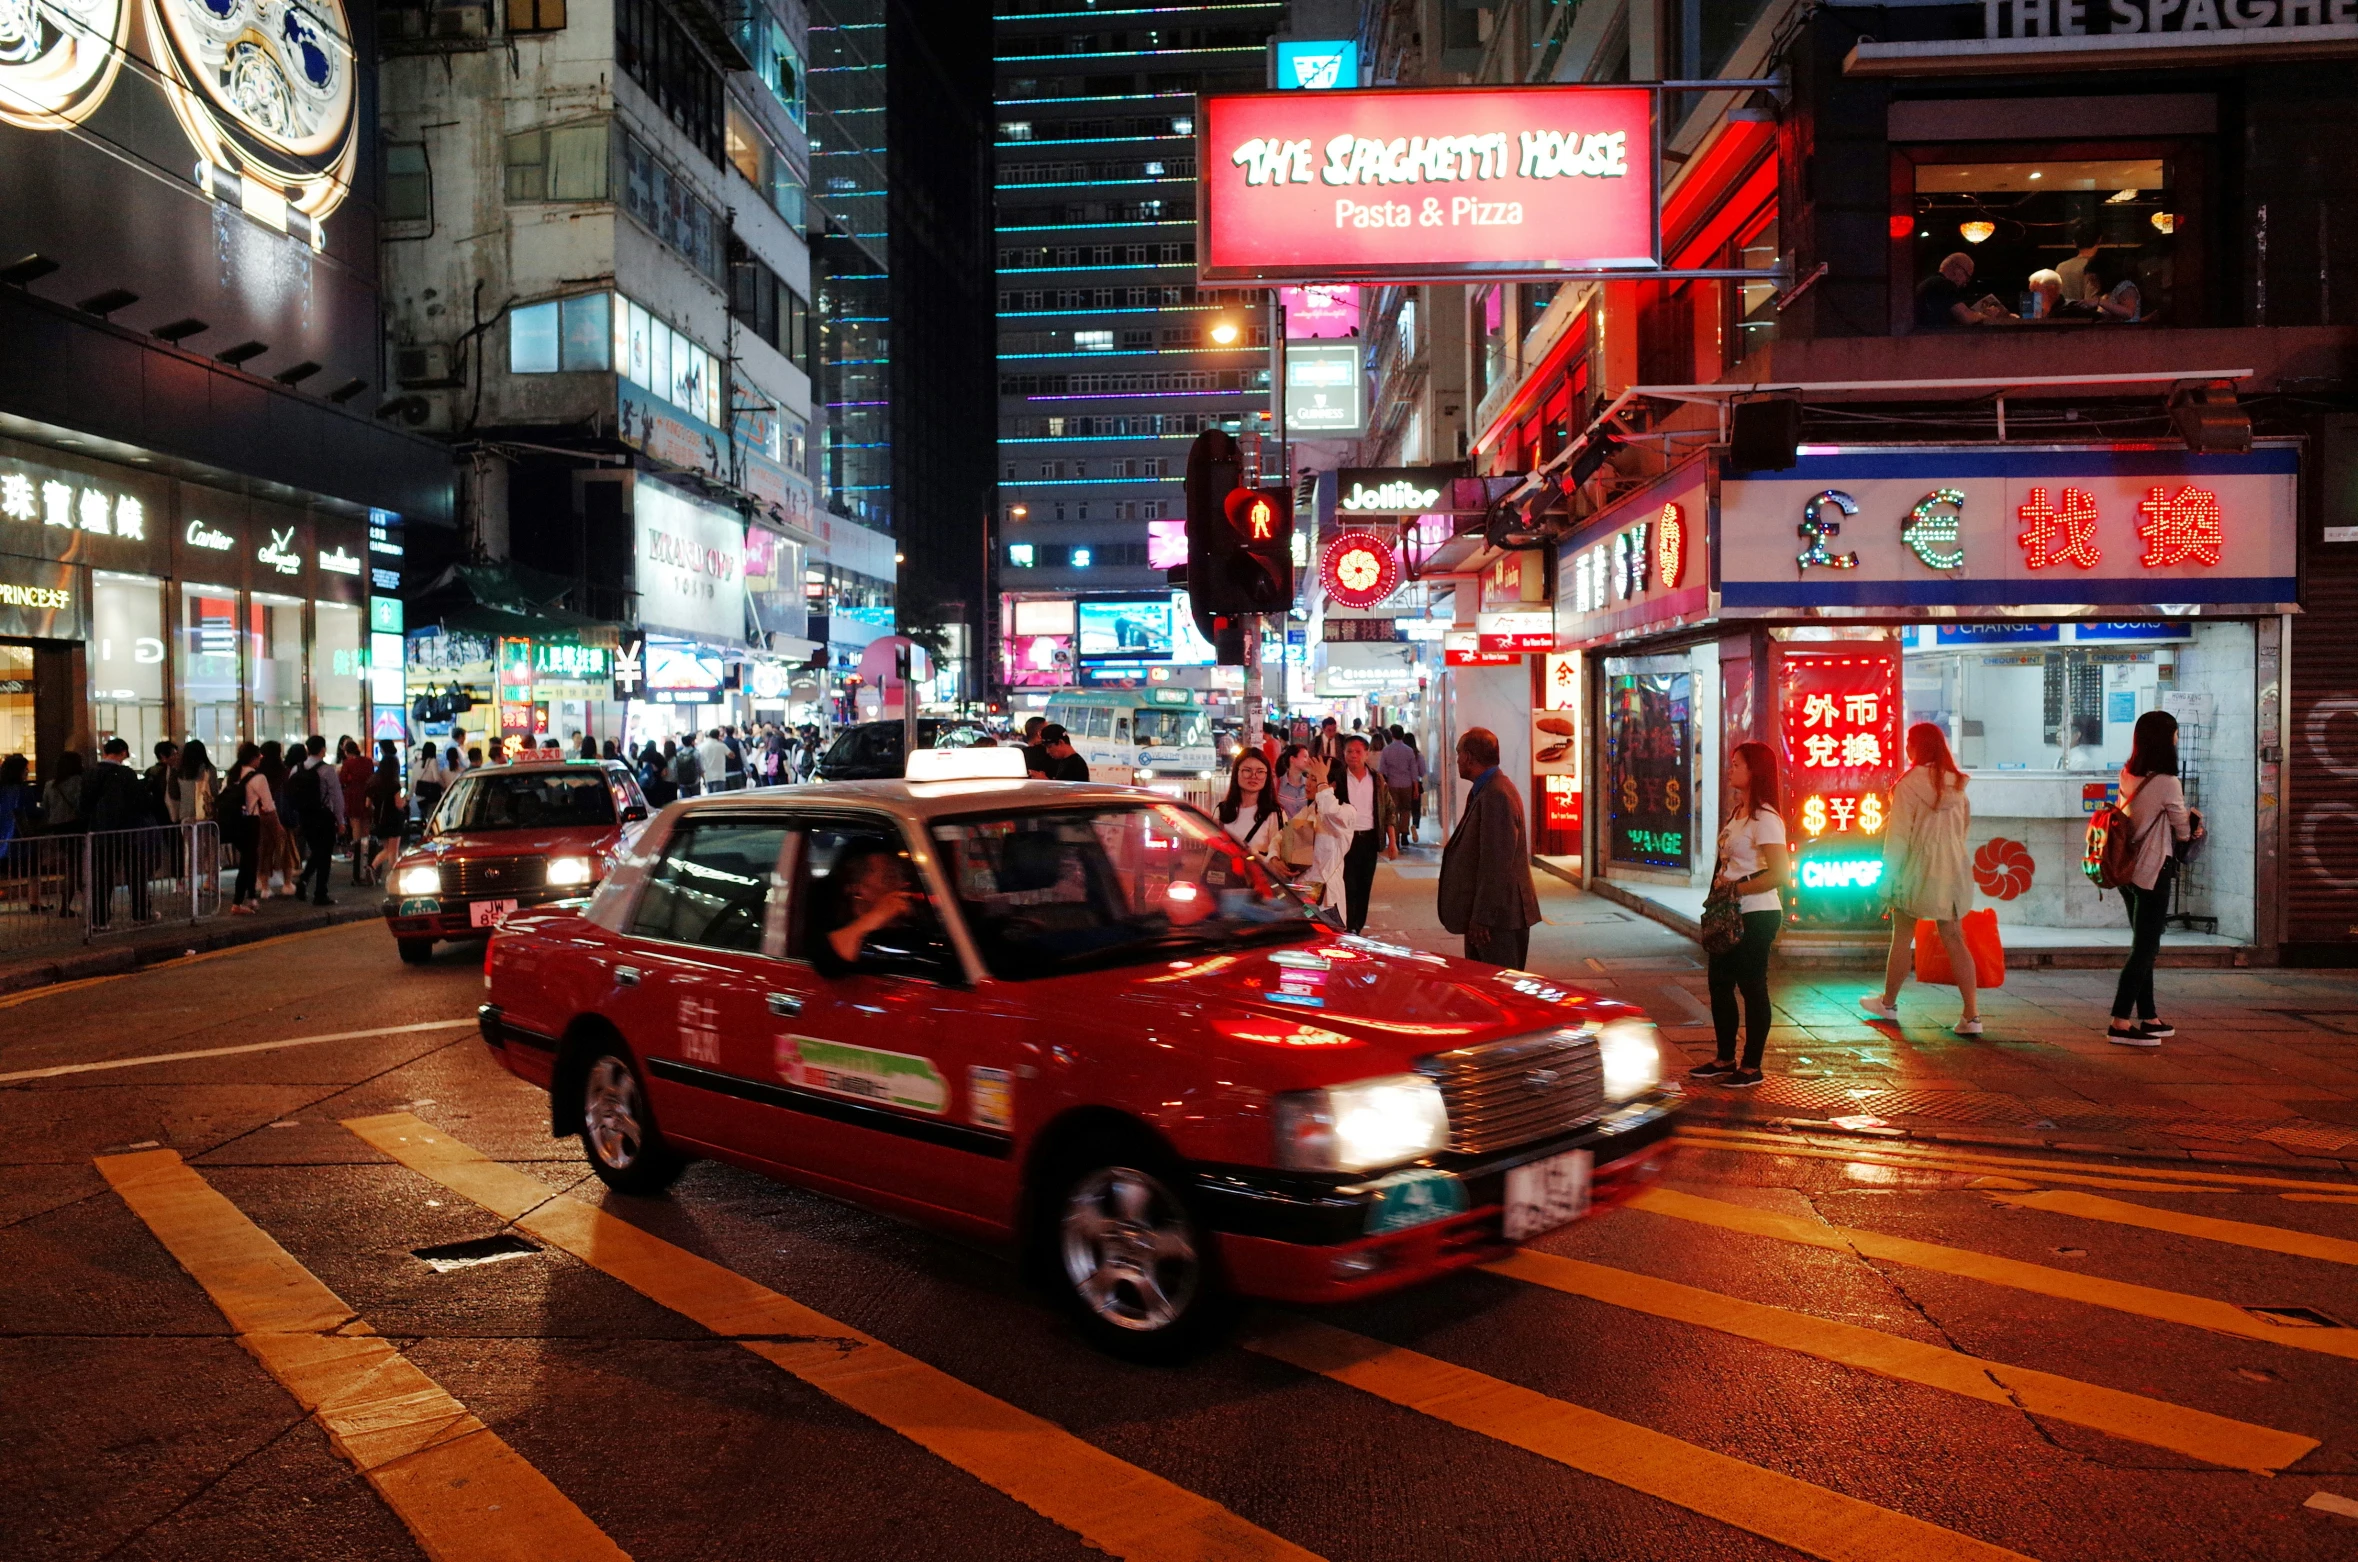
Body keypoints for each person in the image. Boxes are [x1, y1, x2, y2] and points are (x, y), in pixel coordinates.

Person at [1860, 723, 1981, 1035]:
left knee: (1902, 934)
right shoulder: (1957, 784)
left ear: (1916, 748)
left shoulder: (1908, 784)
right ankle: (1971, 1015)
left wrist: (1887, 880)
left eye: (1908, 743)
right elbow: (1964, 829)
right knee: (1955, 937)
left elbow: (1898, 837)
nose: (1906, 749)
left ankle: (1888, 1003)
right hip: (1953, 870)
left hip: (1915, 870)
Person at [1691, 742, 1789, 1088]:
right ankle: (1724, 1058)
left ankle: (1751, 1065)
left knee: (1752, 987)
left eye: (1737, 765)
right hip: (1729, 914)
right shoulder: (1737, 814)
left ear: (1755, 772)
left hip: (1756, 915)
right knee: (1719, 985)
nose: (1730, 769)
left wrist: (1737, 890)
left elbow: (1781, 874)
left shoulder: (1766, 819)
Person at [2109, 710, 2201, 1046]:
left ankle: (2149, 1017)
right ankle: (2120, 1021)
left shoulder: (2128, 773)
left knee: (2145, 945)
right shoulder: (2167, 782)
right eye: (2175, 732)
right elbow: (2181, 830)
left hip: (2127, 872)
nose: (2177, 737)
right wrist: (2194, 821)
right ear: (2167, 738)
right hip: (2152, 871)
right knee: (2145, 947)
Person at [1436, 727, 1541, 967]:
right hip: (1489, 917)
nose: (1457, 760)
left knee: (1499, 991)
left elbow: (1496, 862)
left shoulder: (1497, 794)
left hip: (1499, 920)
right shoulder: (1486, 789)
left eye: (1458, 754)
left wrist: (1482, 918)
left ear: (1470, 757)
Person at [83, 738, 164, 927]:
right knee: (136, 875)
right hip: (128, 831)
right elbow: (140, 801)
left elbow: (84, 804)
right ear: (123, 752)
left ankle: (99, 920)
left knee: (102, 877)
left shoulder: (90, 774)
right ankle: (141, 914)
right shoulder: (125, 774)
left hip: (99, 832)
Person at [821, 841, 925, 967]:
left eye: (903, 876)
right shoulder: (833, 931)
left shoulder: (914, 927)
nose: (903, 884)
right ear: (856, 888)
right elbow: (829, 961)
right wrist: (878, 916)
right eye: (890, 877)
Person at [1332, 735, 1395, 935]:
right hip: (1345, 840)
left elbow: (1388, 810)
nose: (1353, 755)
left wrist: (1392, 842)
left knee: (1364, 885)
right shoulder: (1338, 779)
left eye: (1358, 751)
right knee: (1348, 884)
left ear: (1366, 754)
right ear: (1344, 754)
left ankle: (1357, 926)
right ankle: (1349, 926)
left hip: (1369, 840)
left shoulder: (1377, 779)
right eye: (1349, 751)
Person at [289, 736, 343, 906]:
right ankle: (320, 893)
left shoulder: (296, 769)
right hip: (323, 816)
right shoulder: (327, 770)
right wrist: (341, 820)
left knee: (317, 851)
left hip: (305, 816)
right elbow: (337, 797)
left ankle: (304, 881)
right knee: (324, 855)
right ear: (323, 749)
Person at [221, 742, 266, 913]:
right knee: (248, 861)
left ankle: (251, 897)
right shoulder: (258, 778)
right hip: (250, 822)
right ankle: (238, 902)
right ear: (254, 758)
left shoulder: (231, 776)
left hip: (233, 822)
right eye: (259, 756)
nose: (260, 760)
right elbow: (268, 805)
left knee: (249, 860)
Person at [1217, 750, 1286, 861]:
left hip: (1257, 877)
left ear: (1267, 775)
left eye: (1260, 771)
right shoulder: (1222, 809)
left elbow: (1278, 857)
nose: (1253, 776)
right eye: (1247, 770)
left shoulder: (1275, 814)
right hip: (1226, 875)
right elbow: (1211, 849)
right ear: (1236, 773)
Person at [253, 742, 299, 898]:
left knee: (264, 851)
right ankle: (287, 884)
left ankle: (265, 887)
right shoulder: (285, 773)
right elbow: (291, 795)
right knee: (285, 851)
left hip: (263, 816)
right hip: (283, 816)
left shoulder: (258, 773)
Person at [1916, 252, 2005, 330]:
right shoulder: (1943, 284)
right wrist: (1985, 315)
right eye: (1967, 277)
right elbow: (1966, 317)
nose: (1965, 284)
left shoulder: (1930, 282)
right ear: (1957, 270)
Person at [1376, 725, 1424, 848]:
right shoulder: (1408, 750)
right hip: (1407, 784)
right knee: (1406, 810)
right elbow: (1414, 771)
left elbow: (1382, 770)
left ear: (1392, 735)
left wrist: (1382, 786)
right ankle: (1404, 834)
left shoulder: (1386, 750)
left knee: (1393, 811)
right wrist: (1416, 788)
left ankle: (1395, 837)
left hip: (1392, 784)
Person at [337, 737, 372, 884]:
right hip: (366, 794)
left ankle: (358, 853)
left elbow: (342, 780)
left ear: (346, 752)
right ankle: (367, 851)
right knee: (365, 824)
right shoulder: (368, 761)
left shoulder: (348, 763)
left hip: (352, 795)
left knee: (355, 823)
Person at [169, 740, 217, 826]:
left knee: (189, 838)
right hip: (206, 814)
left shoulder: (180, 771)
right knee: (206, 838)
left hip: (186, 814)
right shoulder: (209, 769)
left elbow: (174, 794)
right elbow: (214, 791)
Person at [2055, 223, 2102, 306]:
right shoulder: (2097, 267)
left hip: (2063, 315)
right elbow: (2092, 301)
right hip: (2087, 316)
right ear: (2099, 240)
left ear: (2074, 243)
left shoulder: (2061, 267)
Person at [411, 742, 447, 820]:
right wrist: (444, 786)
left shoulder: (416, 764)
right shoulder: (432, 761)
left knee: (425, 818)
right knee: (432, 819)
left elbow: (413, 782)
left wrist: (409, 797)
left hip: (419, 797)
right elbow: (437, 778)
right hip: (431, 797)